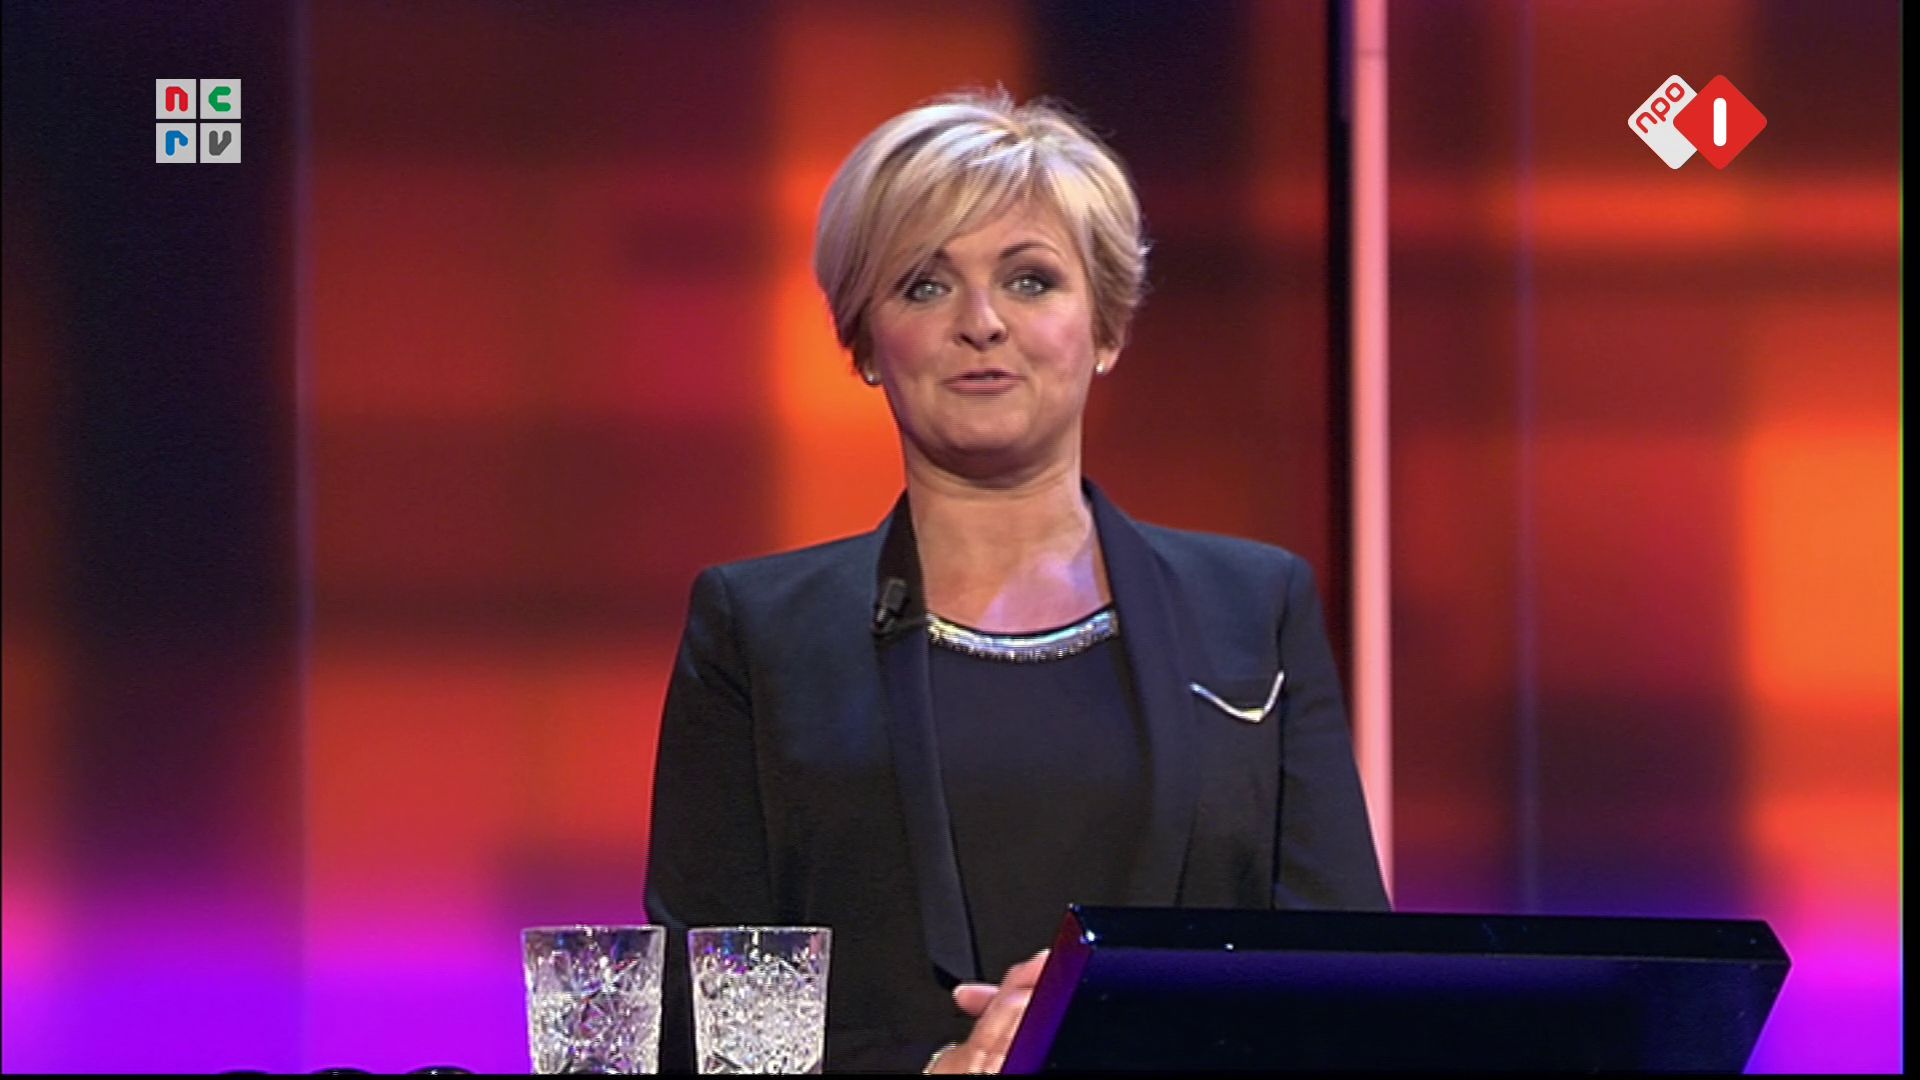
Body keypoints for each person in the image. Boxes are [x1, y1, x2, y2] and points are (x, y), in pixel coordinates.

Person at [645, 89, 1389, 1074]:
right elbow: (691, 1019)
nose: (983, 323)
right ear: (864, 343)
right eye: (925, 286)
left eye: (1031, 280)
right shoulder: (756, 630)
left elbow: (1351, 988)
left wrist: (1115, 1021)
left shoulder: (1255, 608)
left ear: (1107, 327)